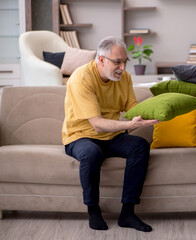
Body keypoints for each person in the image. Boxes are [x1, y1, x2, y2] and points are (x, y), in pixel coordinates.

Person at [62, 36, 159, 232]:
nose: (122, 68)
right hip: (80, 136)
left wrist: (153, 112)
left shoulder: (124, 78)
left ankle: (128, 213)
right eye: (117, 62)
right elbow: (97, 125)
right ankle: (93, 210)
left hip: (110, 137)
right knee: (91, 153)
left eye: (125, 62)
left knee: (139, 146)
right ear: (101, 60)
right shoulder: (82, 78)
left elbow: (132, 108)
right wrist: (129, 124)